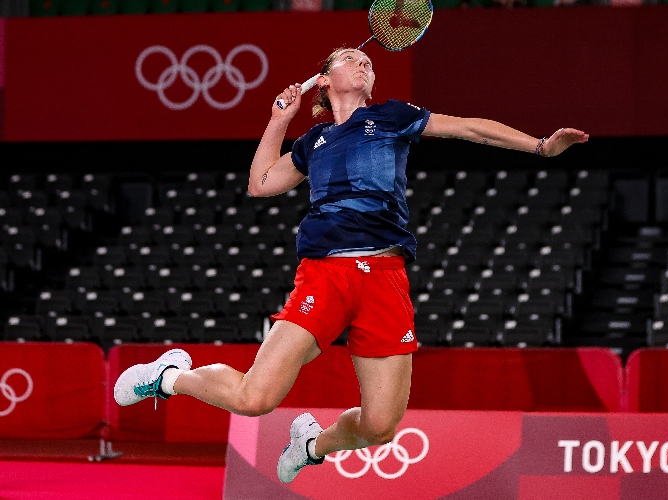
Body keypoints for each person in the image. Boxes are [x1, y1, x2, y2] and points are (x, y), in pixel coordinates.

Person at [113, 47, 588, 483]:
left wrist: (540, 146)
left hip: (385, 278)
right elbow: (260, 182)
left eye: (367, 63)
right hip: (325, 273)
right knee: (254, 400)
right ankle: (170, 376)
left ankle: (312, 445)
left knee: (381, 426)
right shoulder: (313, 141)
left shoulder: (391, 117)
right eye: (349, 58)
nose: (364, 63)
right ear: (323, 80)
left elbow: (467, 127)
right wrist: (280, 120)